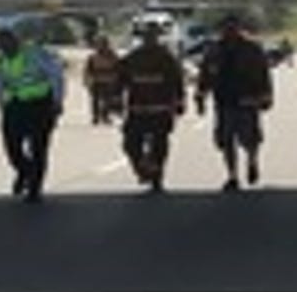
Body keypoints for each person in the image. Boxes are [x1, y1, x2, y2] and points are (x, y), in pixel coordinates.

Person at [194, 15, 275, 191]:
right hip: (224, 101)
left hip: (247, 99)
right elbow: (204, 75)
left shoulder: (252, 48)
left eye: (233, 28)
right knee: (226, 140)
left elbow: (264, 73)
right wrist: (200, 97)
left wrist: (266, 96)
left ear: (239, 28)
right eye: (226, 28)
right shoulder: (214, 50)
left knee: (250, 138)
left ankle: (252, 160)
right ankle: (232, 175)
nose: (229, 32)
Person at [0, 26, 66, 202]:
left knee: (38, 148)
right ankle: (24, 171)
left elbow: (56, 76)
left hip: (40, 106)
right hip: (15, 107)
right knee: (12, 147)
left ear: (16, 41)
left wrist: (58, 101)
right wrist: (2, 108)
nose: (5, 48)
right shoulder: (1, 61)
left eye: (8, 43)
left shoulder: (36, 55)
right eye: (1, 45)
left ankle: (34, 188)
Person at [116, 23, 190, 191]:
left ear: (157, 38)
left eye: (153, 36)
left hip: (160, 109)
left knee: (160, 144)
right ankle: (141, 167)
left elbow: (177, 81)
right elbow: (120, 80)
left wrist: (179, 101)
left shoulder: (167, 58)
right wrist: (115, 100)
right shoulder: (132, 58)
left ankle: (157, 175)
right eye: (146, 36)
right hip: (137, 109)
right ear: (142, 39)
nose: (150, 39)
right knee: (130, 144)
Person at [82, 33, 123, 126]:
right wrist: (87, 80)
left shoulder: (113, 56)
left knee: (107, 100)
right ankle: (96, 116)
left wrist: (117, 80)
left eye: (102, 43)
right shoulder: (93, 57)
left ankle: (105, 116)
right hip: (96, 81)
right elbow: (88, 70)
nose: (100, 46)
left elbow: (118, 68)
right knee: (95, 100)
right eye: (98, 44)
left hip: (109, 81)